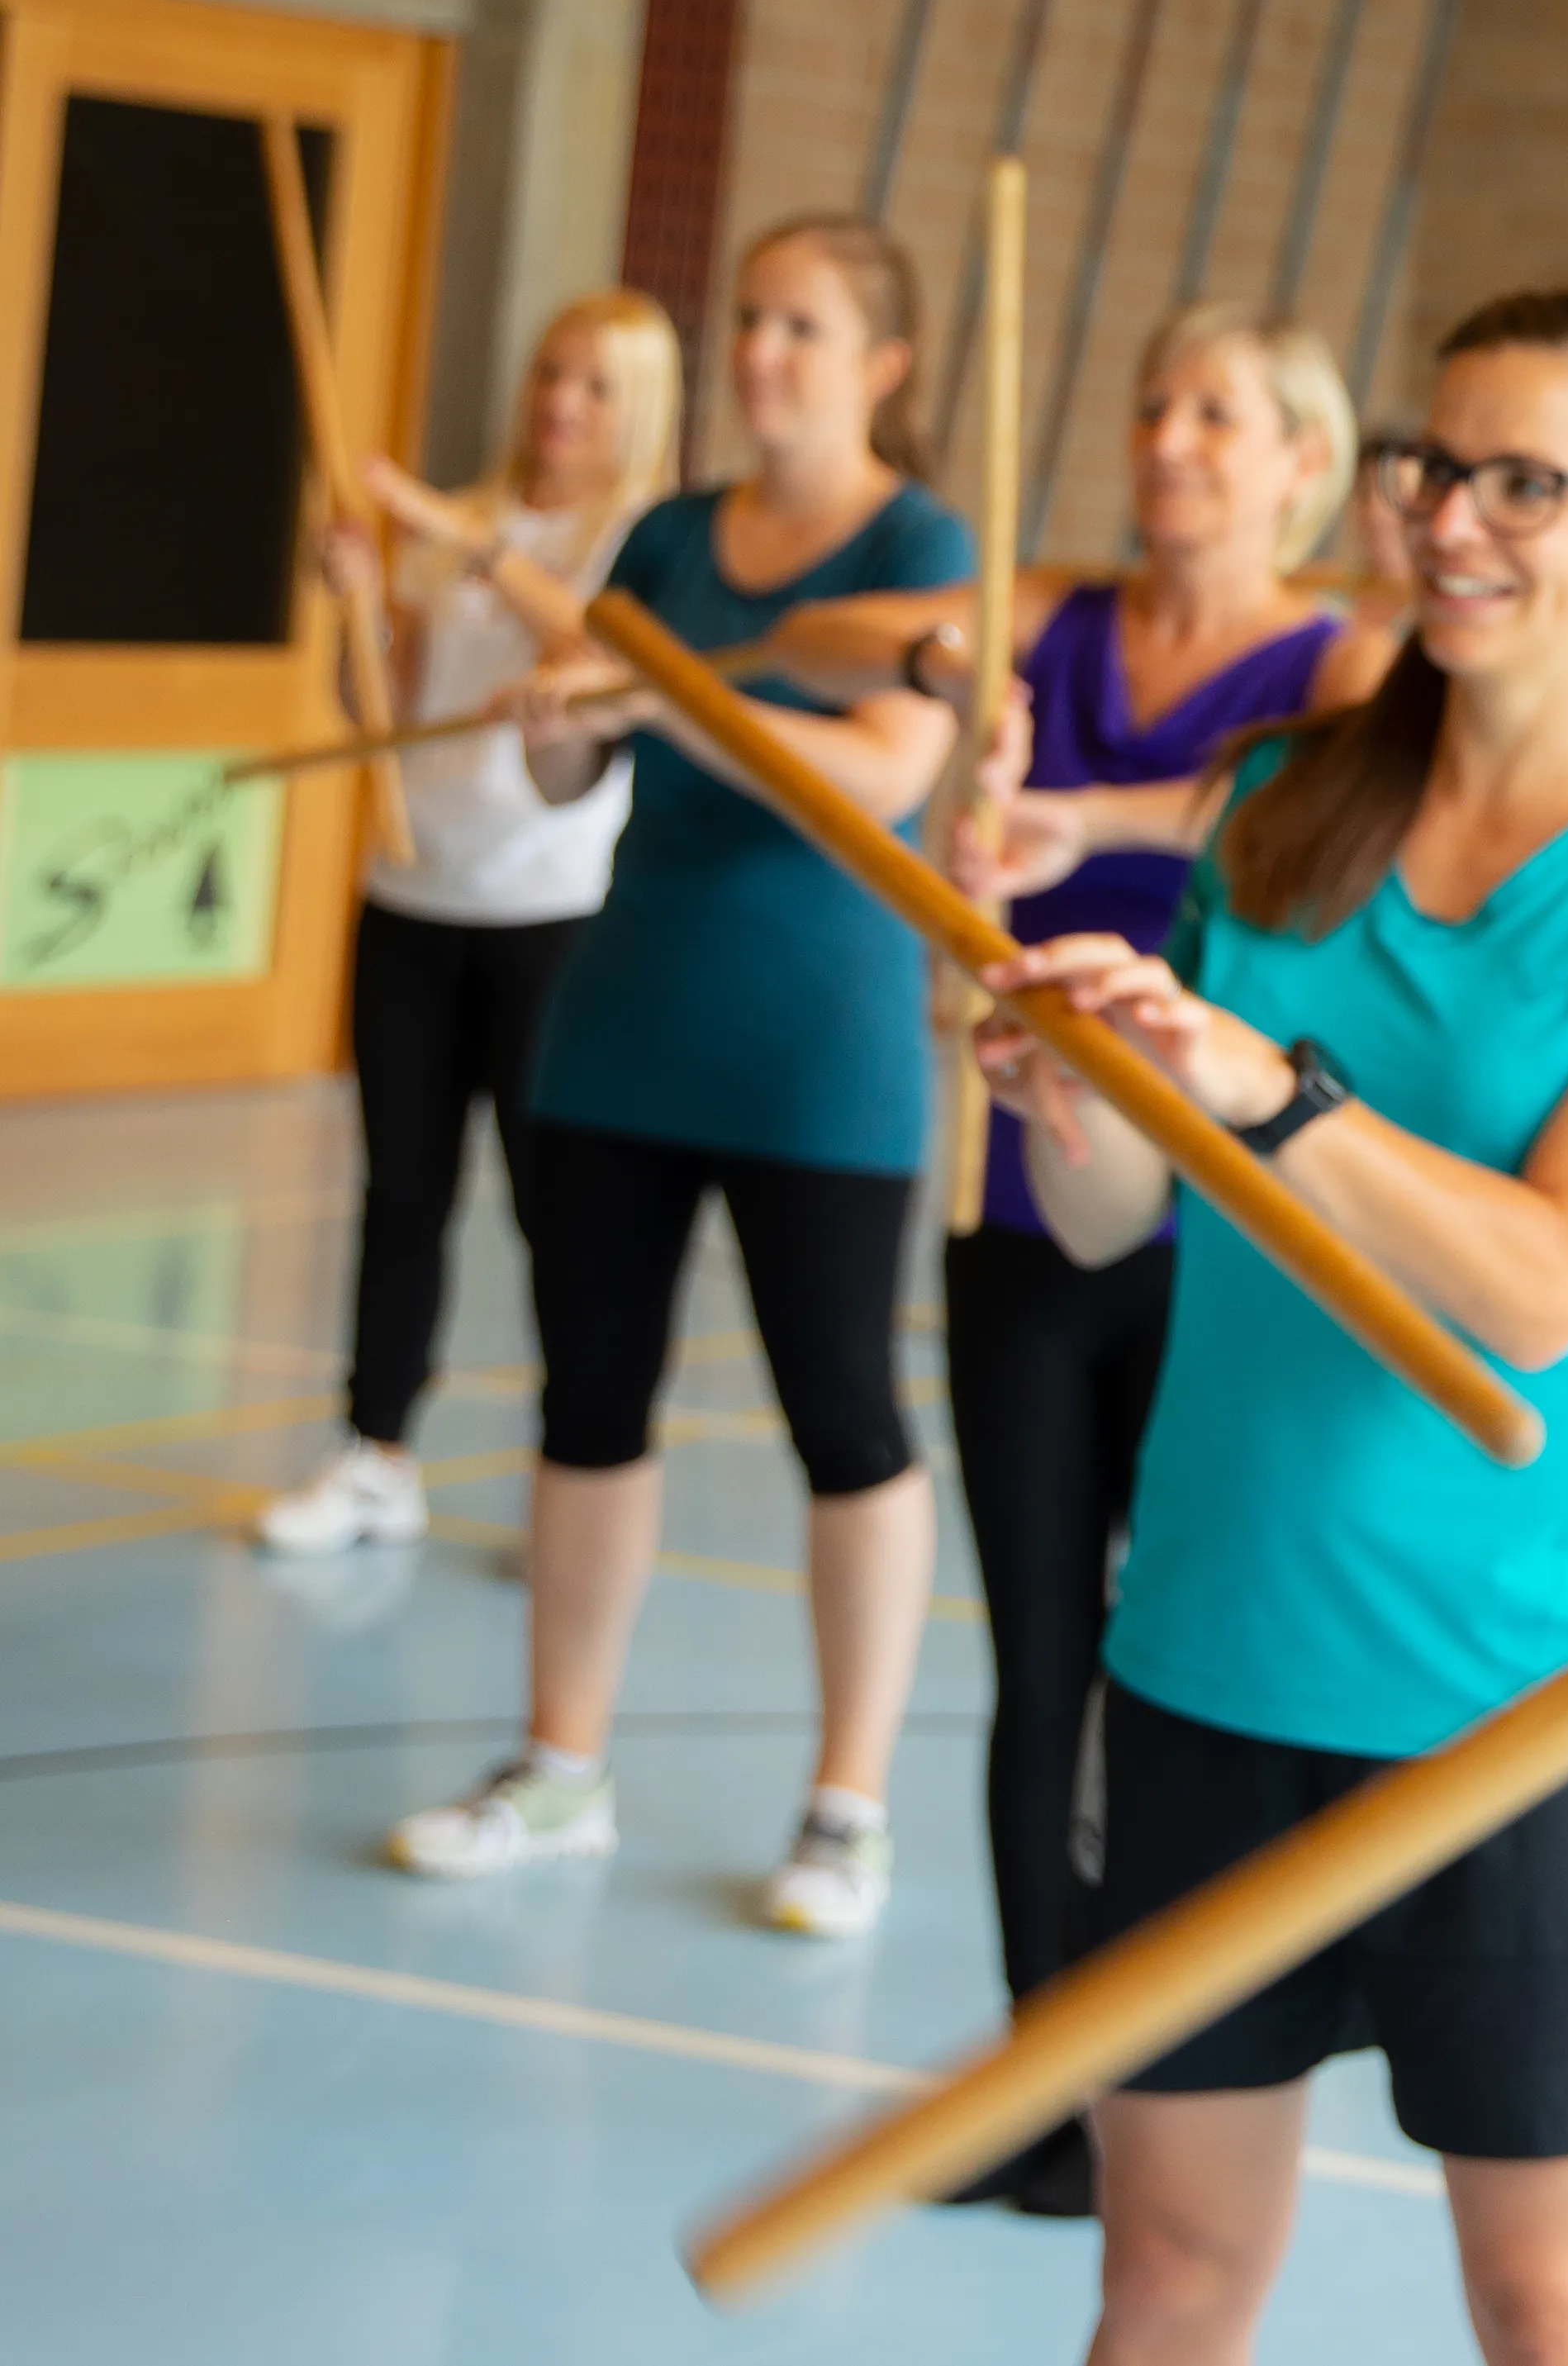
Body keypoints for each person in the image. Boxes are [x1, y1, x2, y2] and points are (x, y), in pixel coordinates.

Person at [970, 287, 1568, 2366]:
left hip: (1528, 1701)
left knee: (1550, 2309)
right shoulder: (1282, 795)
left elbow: (1548, 1278)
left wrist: (1266, 1087)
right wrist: (1069, 1094)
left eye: (1526, 479)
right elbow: (1106, 1224)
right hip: (1207, 1653)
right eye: (1434, 465)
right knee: (1164, 2279)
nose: (1448, 517)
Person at [758, 299, 1390, 2216]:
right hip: (1029, 1203)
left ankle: (1176, 2074)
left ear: (1301, 459)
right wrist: (964, 671)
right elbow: (806, 633)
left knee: (1189, 1663)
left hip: (1236, 1229)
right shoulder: (1053, 616)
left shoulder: (1341, 651)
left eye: (1217, 412)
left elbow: (1297, 803)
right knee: (1044, 1657)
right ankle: (1047, 2070)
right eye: (1153, 404)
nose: (1171, 438)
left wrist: (1079, 808)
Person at [374, 216, 973, 1939]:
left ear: (882, 365)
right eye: (750, 318)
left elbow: (871, 777)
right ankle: (559, 1763)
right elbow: (578, 772)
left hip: (819, 1047)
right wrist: (566, 716)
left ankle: (843, 1806)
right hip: (625, 1024)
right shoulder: (667, 534)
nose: (760, 350)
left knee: (845, 1421)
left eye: (799, 325)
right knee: (588, 1403)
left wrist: (665, 687)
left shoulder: (922, 545)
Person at [257, 290, 682, 1556]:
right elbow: (375, 701)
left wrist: (463, 538)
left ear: (638, 409)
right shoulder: (470, 526)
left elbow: (599, 645)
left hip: (549, 917)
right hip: (413, 900)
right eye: (552, 373)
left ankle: (579, 1483)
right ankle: (374, 1450)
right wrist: (360, 598)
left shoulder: (634, 543)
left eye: (596, 386)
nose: (560, 403)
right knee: (402, 1193)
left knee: (558, 1211)